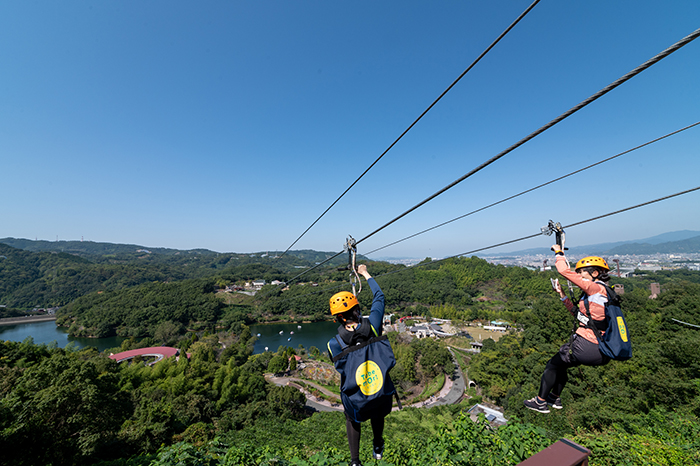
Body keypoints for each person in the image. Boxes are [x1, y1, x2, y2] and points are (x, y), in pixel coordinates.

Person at [524, 245, 612, 413]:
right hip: (599, 348)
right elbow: (580, 316)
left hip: (586, 345)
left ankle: (540, 401)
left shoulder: (595, 288)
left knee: (551, 364)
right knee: (561, 365)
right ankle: (554, 397)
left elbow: (564, 271)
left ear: (595, 273)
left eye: (582, 272)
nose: (579, 276)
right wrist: (562, 295)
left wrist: (559, 252)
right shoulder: (603, 293)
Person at [327, 264, 393, 466]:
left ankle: (355, 461)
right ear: (356, 309)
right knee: (378, 410)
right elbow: (379, 297)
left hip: (356, 397)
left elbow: (341, 368)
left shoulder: (333, 344)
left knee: (352, 418)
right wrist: (364, 273)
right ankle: (378, 444)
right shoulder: (372, 325)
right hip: (381, 390)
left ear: (337, 317)